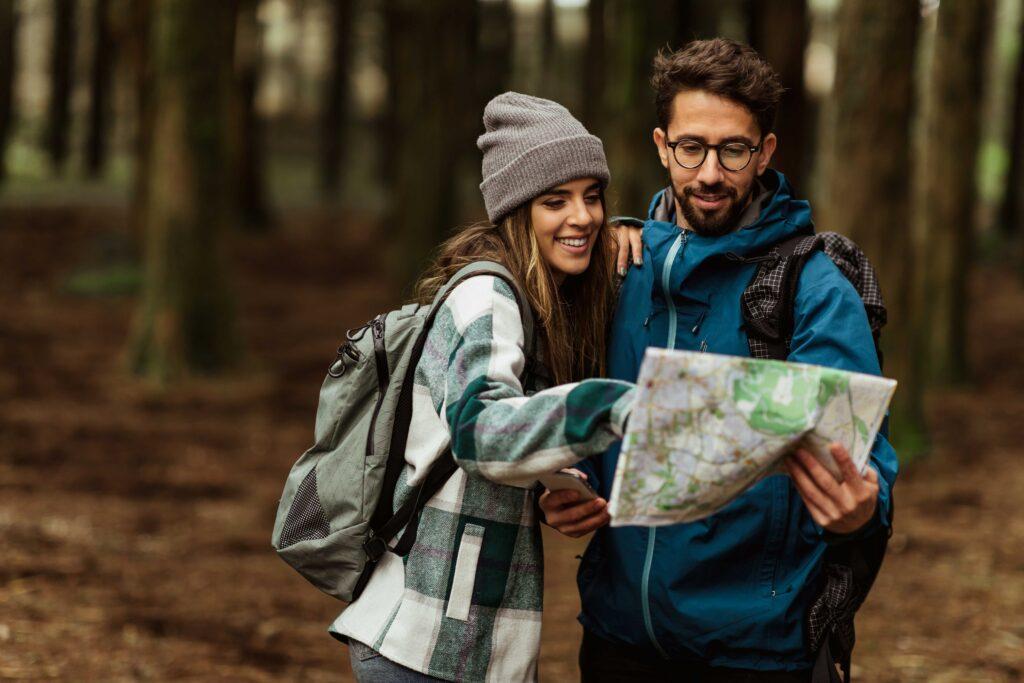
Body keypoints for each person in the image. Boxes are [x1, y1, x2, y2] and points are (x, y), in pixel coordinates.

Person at [540, 38, 898, 682]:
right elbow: (581, 416)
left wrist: (864, 508)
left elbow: (864, 461)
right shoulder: (615, 271)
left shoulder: (812, 288)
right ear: (661, 145)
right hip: (619, 637)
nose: (709, 173)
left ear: (765, 153)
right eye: (691, 147)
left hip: (755, 652)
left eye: (733, 150)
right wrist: (567, 490)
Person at [330, 92, 640, 682]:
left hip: (464, 642)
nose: (584, 217)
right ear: (518, 212)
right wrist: (613, 405)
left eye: (592, 196)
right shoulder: (487, 297)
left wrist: (555, 482)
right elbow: (481, 432)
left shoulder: (535, 298)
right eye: (557, 201)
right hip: (424, 644)